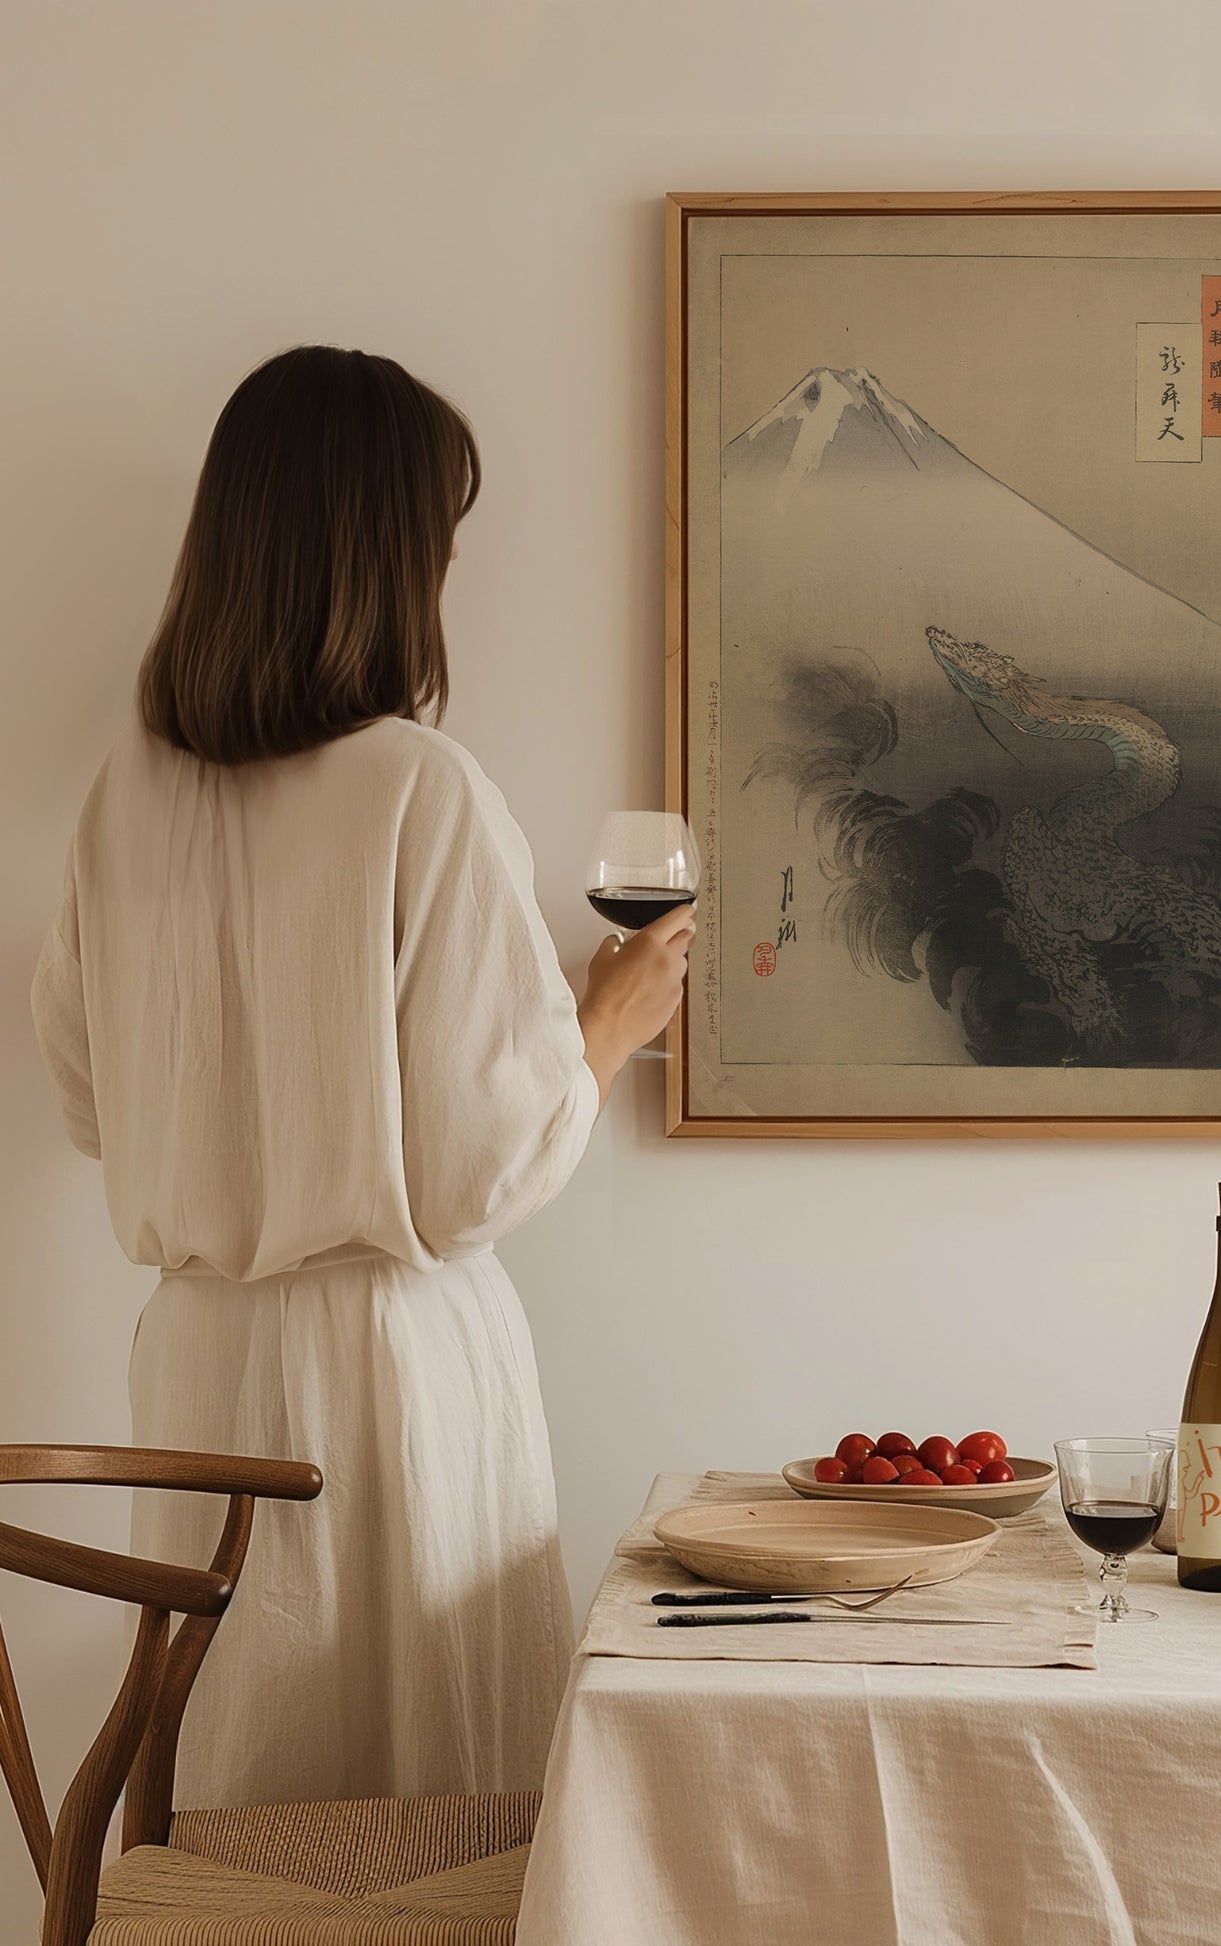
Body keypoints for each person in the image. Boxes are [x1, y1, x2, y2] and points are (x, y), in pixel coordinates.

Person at [29, 345, 691, 1806]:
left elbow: (87, 1100)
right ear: (387, 556)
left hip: (197, 1363)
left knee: (241, 1793)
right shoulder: (418, 786)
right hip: (390, 1374)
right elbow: (473, 1173)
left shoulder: (122, 797)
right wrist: (605, 1020)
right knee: (423, 1811)